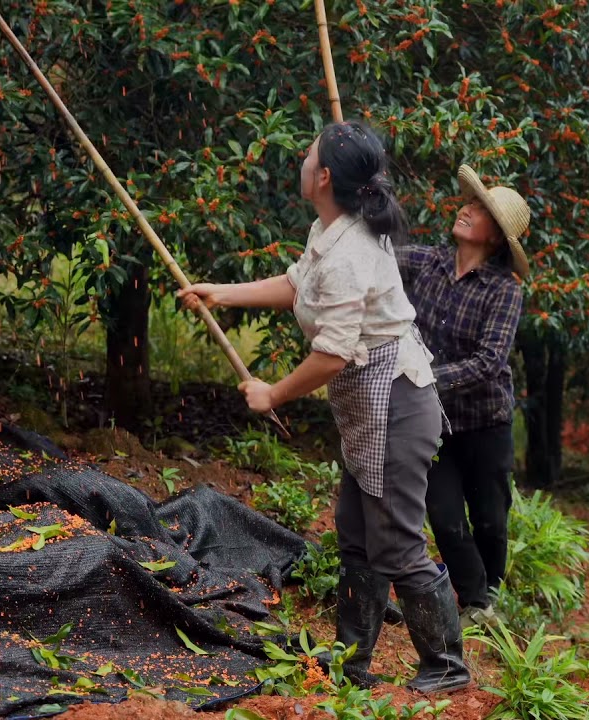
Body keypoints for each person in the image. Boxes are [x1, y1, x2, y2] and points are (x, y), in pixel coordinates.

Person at [178, 122, 471, 694]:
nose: (302, 160)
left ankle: (447, 666)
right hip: (370, 409)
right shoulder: (331, 231)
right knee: (356, 535)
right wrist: (223, 292)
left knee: (396, 541)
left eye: (309, 154)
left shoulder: (351, 252)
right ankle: (352, 661)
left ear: (325, 177)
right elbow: (298, 285)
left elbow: (332, 354)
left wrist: (273, 393)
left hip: (396, 405)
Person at [394, 165, 529, 628]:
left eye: (480, 209)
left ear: (496, 238)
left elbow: (489, 361)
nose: (467, 209)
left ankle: (491, 592)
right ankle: (476, 601)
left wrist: (423, 376)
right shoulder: (428, 262)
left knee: (490, 518)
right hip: (434, 419)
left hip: (485, 422)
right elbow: (378, 256)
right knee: (444, 514)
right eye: (470, 202)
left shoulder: (504, 291)